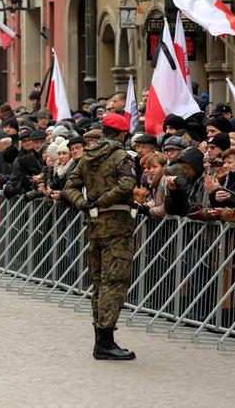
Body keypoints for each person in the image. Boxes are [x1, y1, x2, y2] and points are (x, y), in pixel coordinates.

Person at [65, 113, 137, 360]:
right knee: (114, 282)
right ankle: (105, 341)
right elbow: (127, 185)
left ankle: (101, 339)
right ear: (122, 134)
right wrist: (102, 201)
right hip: (117, 226)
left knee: (99, 282)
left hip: (94, 225)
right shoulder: (121, 157)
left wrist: (84, 204)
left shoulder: (87, 158)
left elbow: (69, 186)